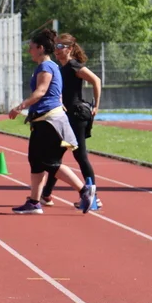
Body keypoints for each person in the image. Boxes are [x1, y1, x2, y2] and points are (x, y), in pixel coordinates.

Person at [7, 29, 94, 215]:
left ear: (40, 48)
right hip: (45, 119)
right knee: (36, 161)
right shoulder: (50, 66)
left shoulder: (46, 67)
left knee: (49, 162)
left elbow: (41, 91)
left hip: (49, 121)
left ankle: (83, 190)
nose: (29, 51)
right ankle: (34, 202)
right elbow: (57, 93)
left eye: (31, 47)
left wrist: (19, 107)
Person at [41, 34, 104, 208]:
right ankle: (46, 194)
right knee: (54, 156)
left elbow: (96, 80)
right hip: (66, 116)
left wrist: (96, 105)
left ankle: (94, 196)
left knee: (80, 156)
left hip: (76, 116)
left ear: (69, 48)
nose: (56, 50)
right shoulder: (61, 68)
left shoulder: (74, 65)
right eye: (55, 46)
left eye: (60, 46)